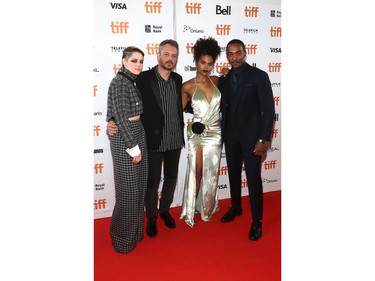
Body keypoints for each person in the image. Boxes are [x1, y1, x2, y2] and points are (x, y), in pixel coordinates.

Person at [107, 39, 185, 238]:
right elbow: (123, 104)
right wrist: (111, 119)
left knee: (171, 178)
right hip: (152, 139)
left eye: (174, 55)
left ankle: (165, 210)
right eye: (166, 54)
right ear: (158, 55)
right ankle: (151, 217)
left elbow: (181, 105)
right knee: (152, 182)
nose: (170, 58)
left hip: (175, 138)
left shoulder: (178, 79)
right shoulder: (142, 78)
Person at [219, 39, 275, 241]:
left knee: (253, 178)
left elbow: (268, 110)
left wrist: (263, 139)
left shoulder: (259, 76)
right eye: (230, 54)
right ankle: (236, 207)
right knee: (233, 173)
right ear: (227, 56)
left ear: (245, 53)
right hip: (231, 137)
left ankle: (257, 221)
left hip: (253, 139)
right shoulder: (224, 78)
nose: (234, 57)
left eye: (238, 53)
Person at [106, 46, 148, 253]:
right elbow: (121, 118)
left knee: (138, 188)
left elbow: (112, 111)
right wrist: (133, 148)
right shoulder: (120, 82)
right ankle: (122, 240)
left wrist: (109, 119)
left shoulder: (130, 81)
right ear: (123, 61)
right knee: (128, 193)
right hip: (127, 138)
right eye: (134, 60)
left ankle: (134, 234)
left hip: (136, 131)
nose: (138, 64)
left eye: (141, 60)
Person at [180, 37, 222, 227]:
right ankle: (191, 209)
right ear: (196, 61)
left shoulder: (217, 81)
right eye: (202, 62)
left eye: (210, 63)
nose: (206, 67)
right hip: (197, 133)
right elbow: (176, 114)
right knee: (196, 171)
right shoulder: (187, 86)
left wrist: (229, 73)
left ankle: (205, 206)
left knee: (210, 173)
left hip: (216, 133)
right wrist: (191, 126)